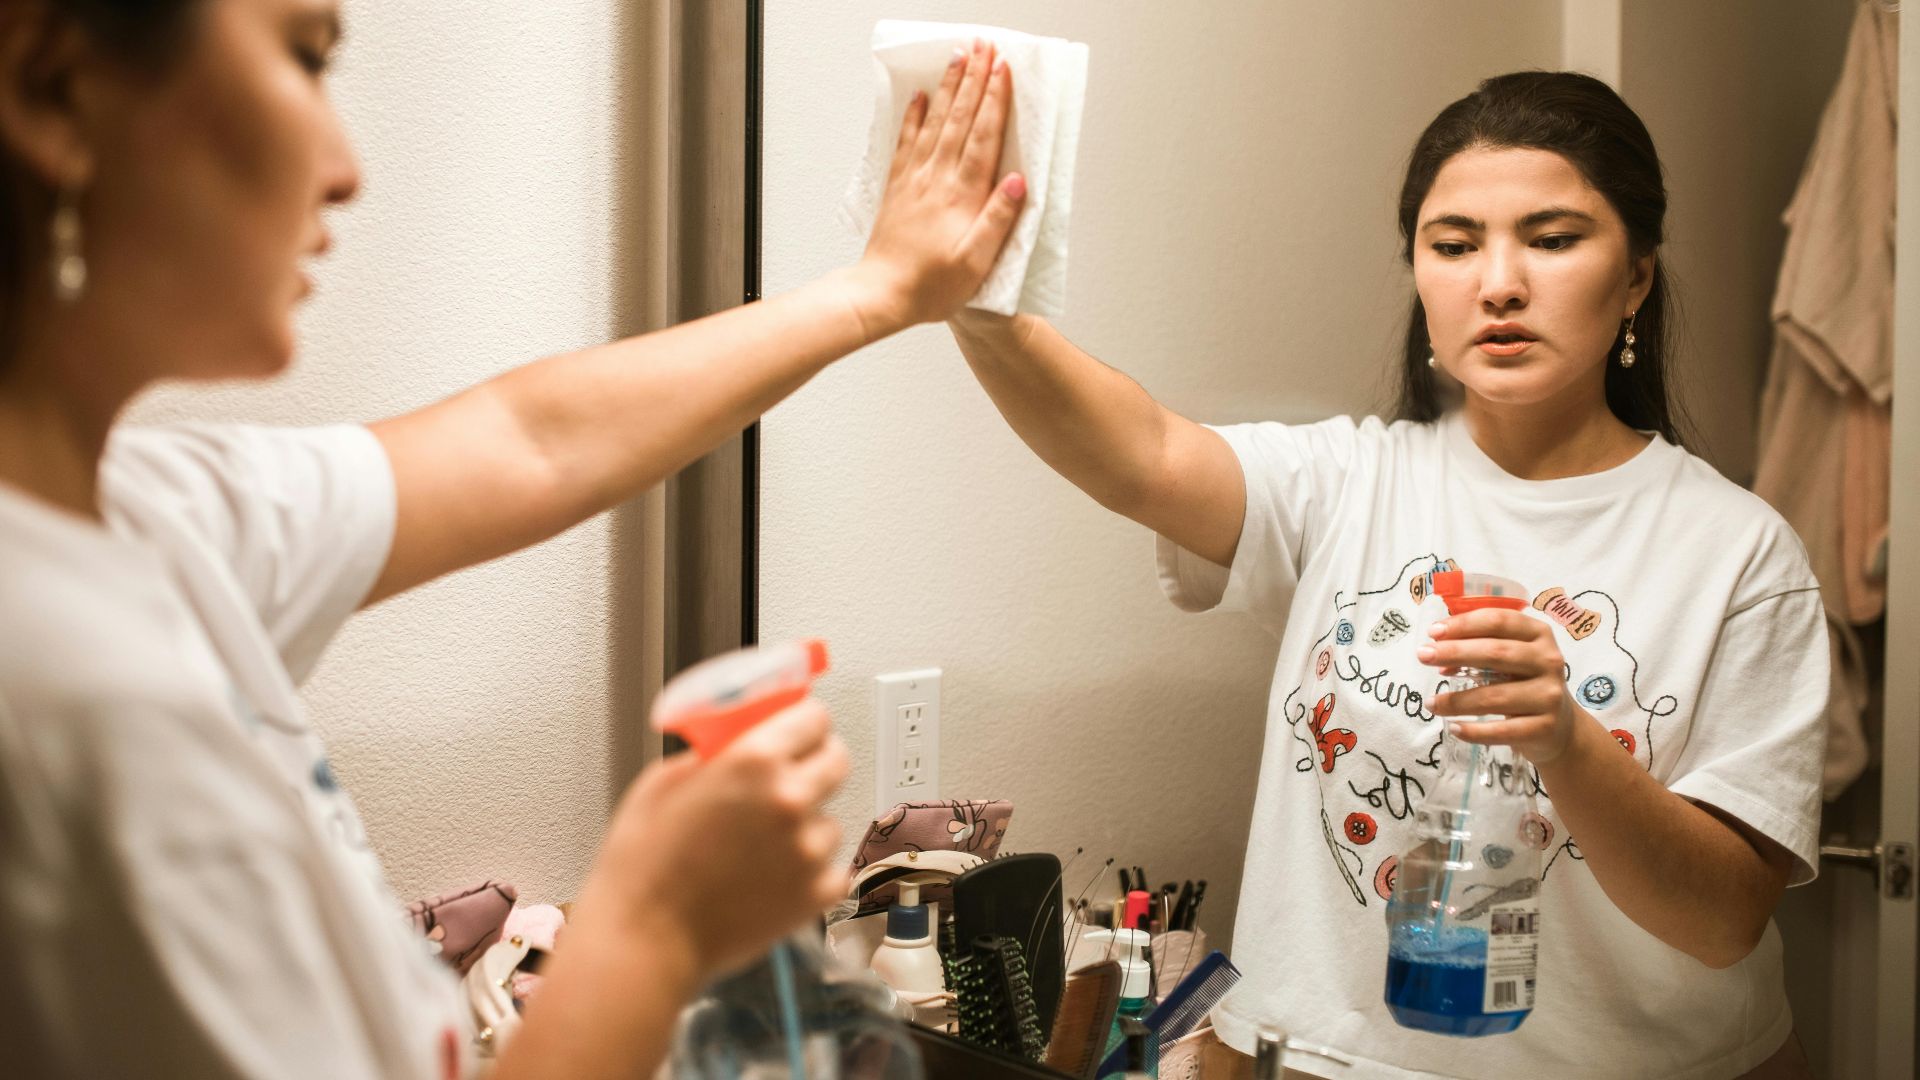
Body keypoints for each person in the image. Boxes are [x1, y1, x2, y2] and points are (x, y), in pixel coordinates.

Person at [0, 0, 1026, 1076]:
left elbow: (528, 441)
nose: (346, 167)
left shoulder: (144, 514)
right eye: (305, 56)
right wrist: (653, 927)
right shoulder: (51, 692)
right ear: (53, 89)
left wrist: (880, 291)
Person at [948, 72, 1823, 1079]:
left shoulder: (1739, 554)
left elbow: (1722, 922)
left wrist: (1570, 744)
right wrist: (981, 303)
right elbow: (1138, 453)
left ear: (1634, 278)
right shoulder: (1341, 481)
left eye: (1552, 238)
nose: (1498, 282)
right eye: (1454, 245)